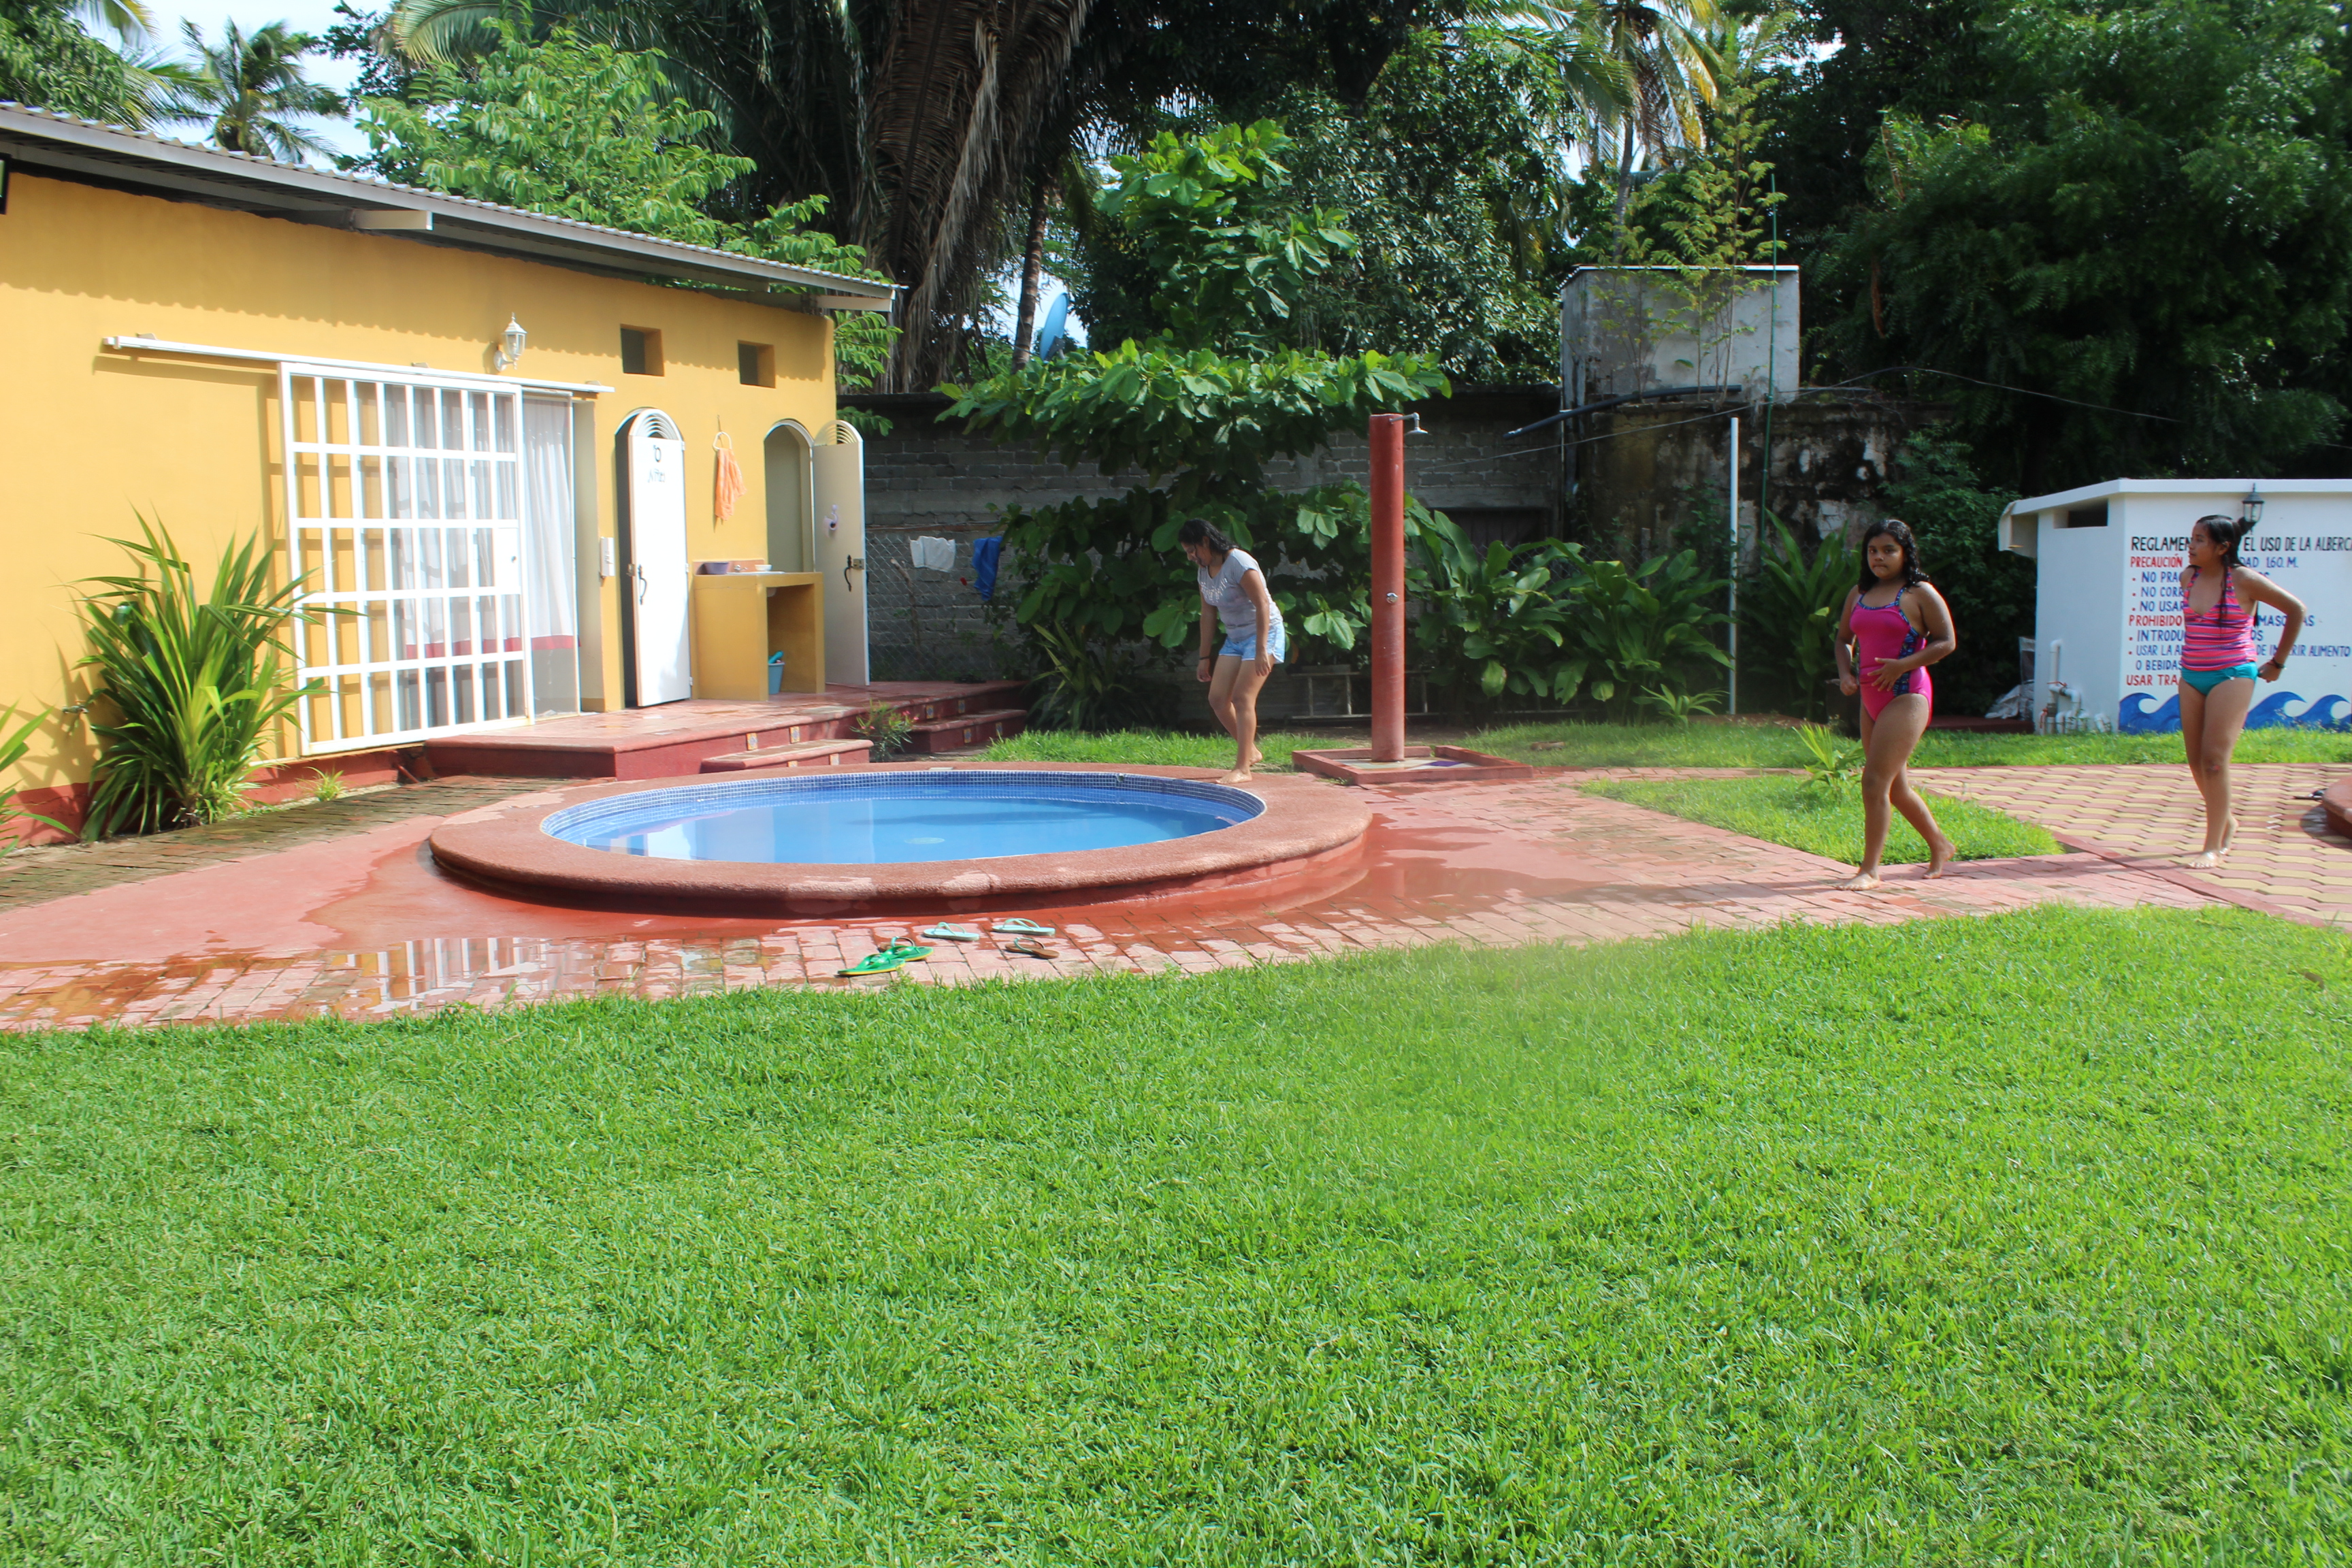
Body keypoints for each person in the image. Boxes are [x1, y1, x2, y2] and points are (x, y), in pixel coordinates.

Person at [2175, 513, 2306, 869]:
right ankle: (2226, 818)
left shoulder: (2243, 579)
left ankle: (2213, 845)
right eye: (2192, 538)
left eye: (2200, 540)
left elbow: (2296, 610)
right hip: (2191, 676)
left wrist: (2277, 663)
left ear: (2222, 547)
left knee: (2214, 762)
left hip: (2233, 675)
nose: (2192, 545)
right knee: (2196, 763)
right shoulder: (2188, 577)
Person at [1834, 518, 1959, 889]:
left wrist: (1903, 665)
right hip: (1871, 699)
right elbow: (1843, 639)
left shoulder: (1920, 593)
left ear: (1906, 552)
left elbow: (1946, 641)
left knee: (1873, 782)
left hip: (1907, 696)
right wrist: (1845, 673)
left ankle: (1870, 870)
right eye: (1873, 550)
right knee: (1895, 788)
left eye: (1889, 550)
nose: (1879, 557)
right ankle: (1940, 844)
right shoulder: (1859, 592)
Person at [1179, 517, 1285, 785]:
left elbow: (1262, 605)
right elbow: (1207, 615)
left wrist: (1262, 650)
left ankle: (1243, 769)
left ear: (1205, 542)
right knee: (1217, 699)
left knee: (1242, 697)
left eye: (1193, 551)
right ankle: (1251, 751)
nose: (1191, 557)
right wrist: (1204, 657)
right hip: (1236, 637)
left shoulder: (1239, 563)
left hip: (1264, 633)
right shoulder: (1204, 570)